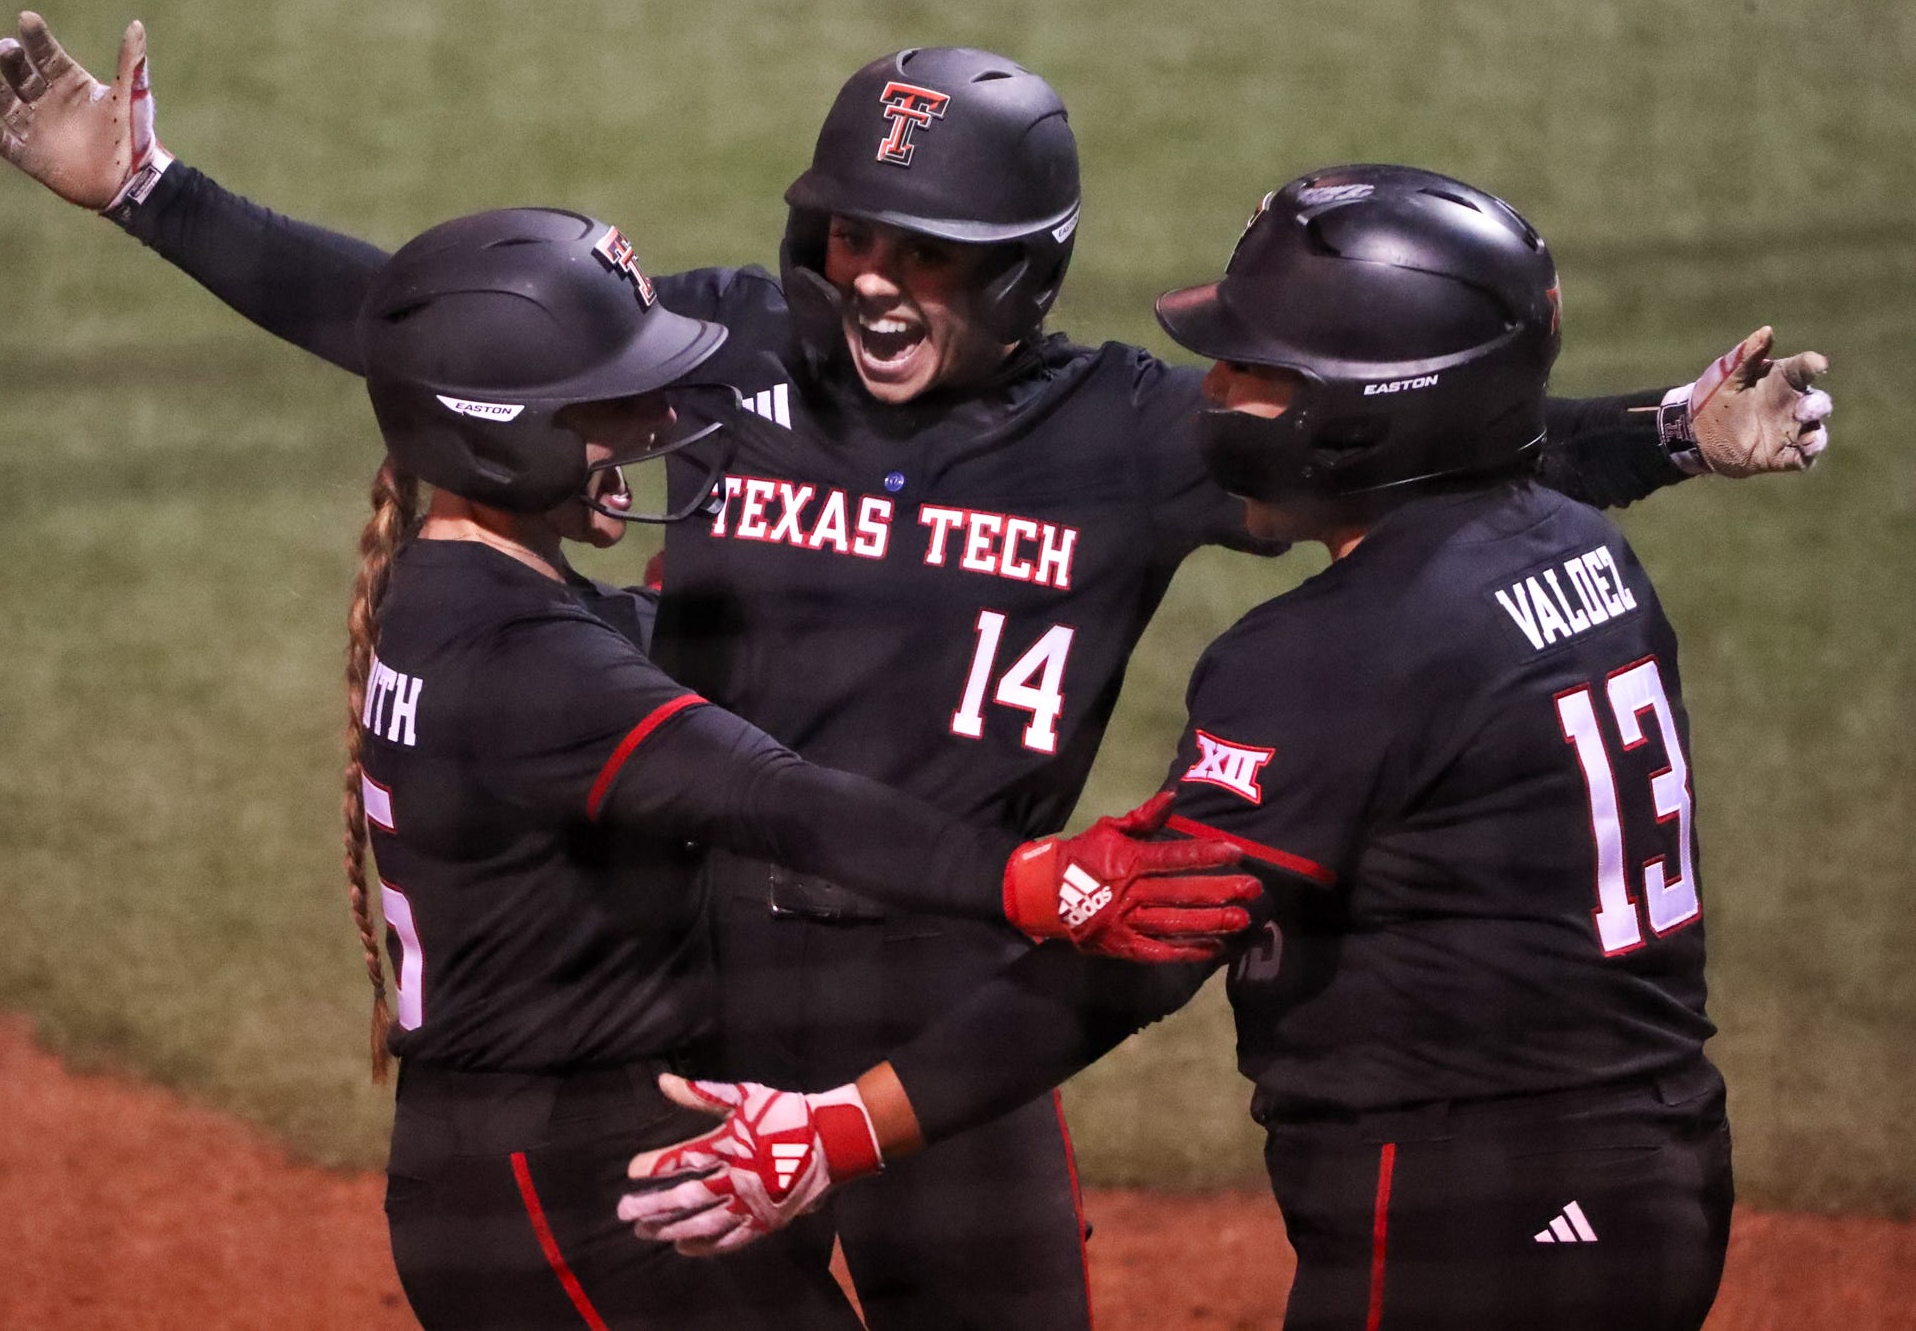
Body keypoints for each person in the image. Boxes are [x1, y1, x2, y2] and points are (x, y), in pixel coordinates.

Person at [0, 17, 1828, 1329]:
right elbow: (436, 328)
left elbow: (1395, 441)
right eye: (852, 230)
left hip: (957, 1005)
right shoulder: (733, 355)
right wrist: (151, 194)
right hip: (689, 997)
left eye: (926, 254)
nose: (872, 281)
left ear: (1017, 274)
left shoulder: (1124, 433)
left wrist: (1662, 434)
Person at [622, 165, 1754, 1331]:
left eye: (1252, 374)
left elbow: (1144, 946)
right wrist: (1659, 432)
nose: (1207, 399)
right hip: (1646, 1154)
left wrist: (838, 1125)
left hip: (1469, 1204)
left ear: (1369, 408)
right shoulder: (1575, 555)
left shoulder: (1332, 648)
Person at [331, 205, 1259, 1329]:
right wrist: (1029, 879)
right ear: (497, 430)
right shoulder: (529, 661)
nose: (654, 420)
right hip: (557, 1198)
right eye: (609, 402)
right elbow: (773, 794)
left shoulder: (476, 603)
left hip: (580, 1165)